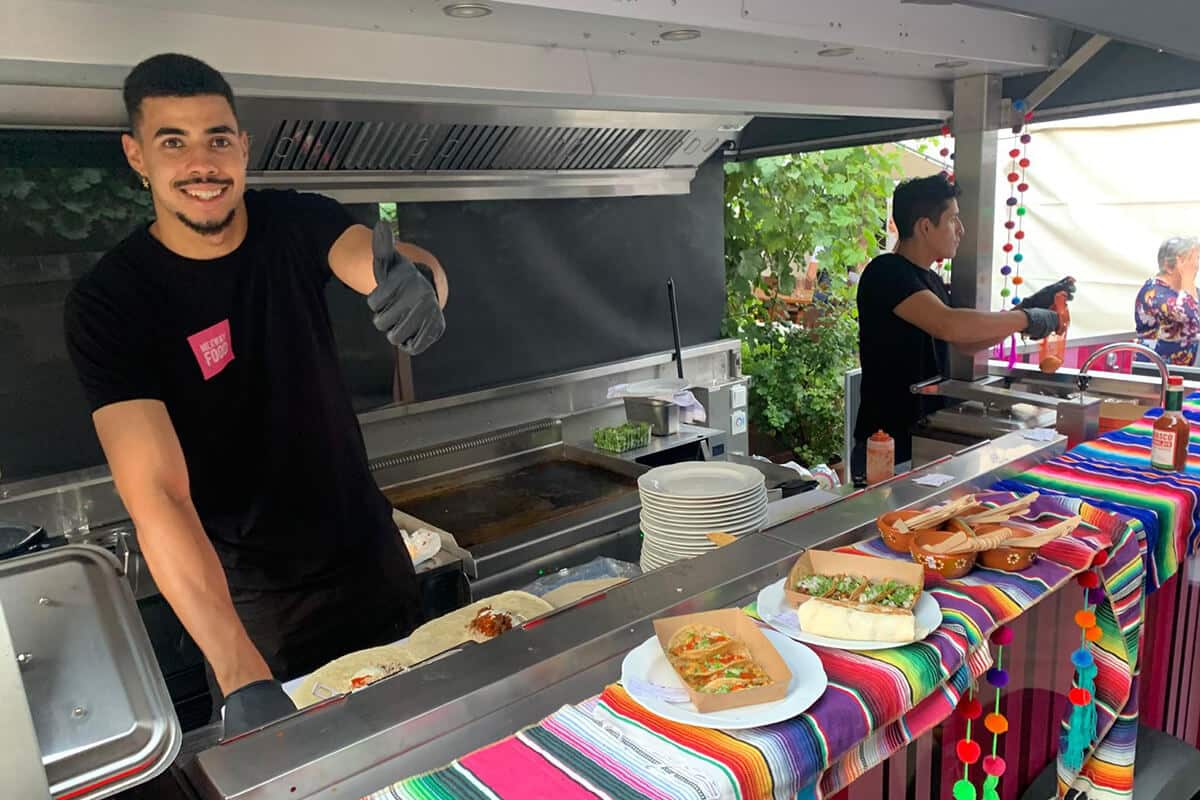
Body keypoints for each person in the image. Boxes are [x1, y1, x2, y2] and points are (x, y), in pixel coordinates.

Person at [63, 54, 449, 738]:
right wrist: (243, 676)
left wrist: (416, 281)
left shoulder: (292, 225)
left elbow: (377, 258)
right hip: (253, 607)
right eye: (172, 142)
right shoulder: (112, 302)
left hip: (374, 563)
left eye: (217, 138)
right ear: (136, 156)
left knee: (420, 755)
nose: (201, 164)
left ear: (242, 147)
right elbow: (158, 494)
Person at [851, 174, 1073, 481]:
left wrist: (1027, 309)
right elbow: (950, 325)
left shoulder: (930, 281)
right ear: (925, 227)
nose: (961, 230)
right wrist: (1027, 319)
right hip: (887, 441)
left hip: (924, 432)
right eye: (953, 219)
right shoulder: (887, 273)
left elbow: (967, 341)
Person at [1134, 236, 1200, 365]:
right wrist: (1187, 278)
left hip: (1184, 374)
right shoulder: (1153, 294)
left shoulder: (1185, 291)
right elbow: (1191, 319)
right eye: (1189, 261)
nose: (1195, 266)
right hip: (1157, 374)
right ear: (1168, 265)